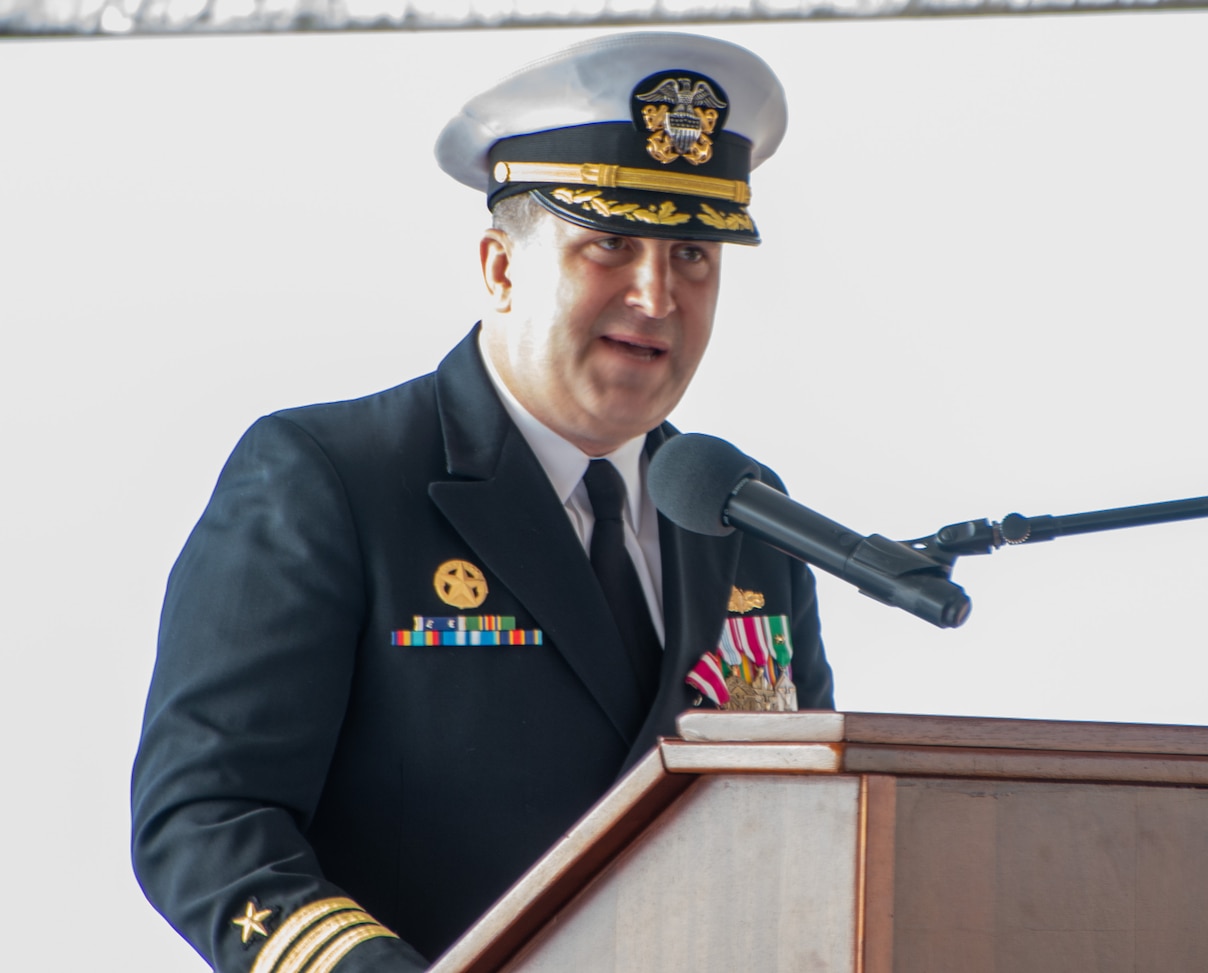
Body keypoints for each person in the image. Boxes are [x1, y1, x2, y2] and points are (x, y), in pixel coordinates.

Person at [130, 32, 834, 973]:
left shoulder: (741, 512)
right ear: (501, 267)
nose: (657, 294)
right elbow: (205, 818)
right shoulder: (329, 476)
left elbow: (807, 821)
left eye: (695, 255)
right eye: (611, 245)